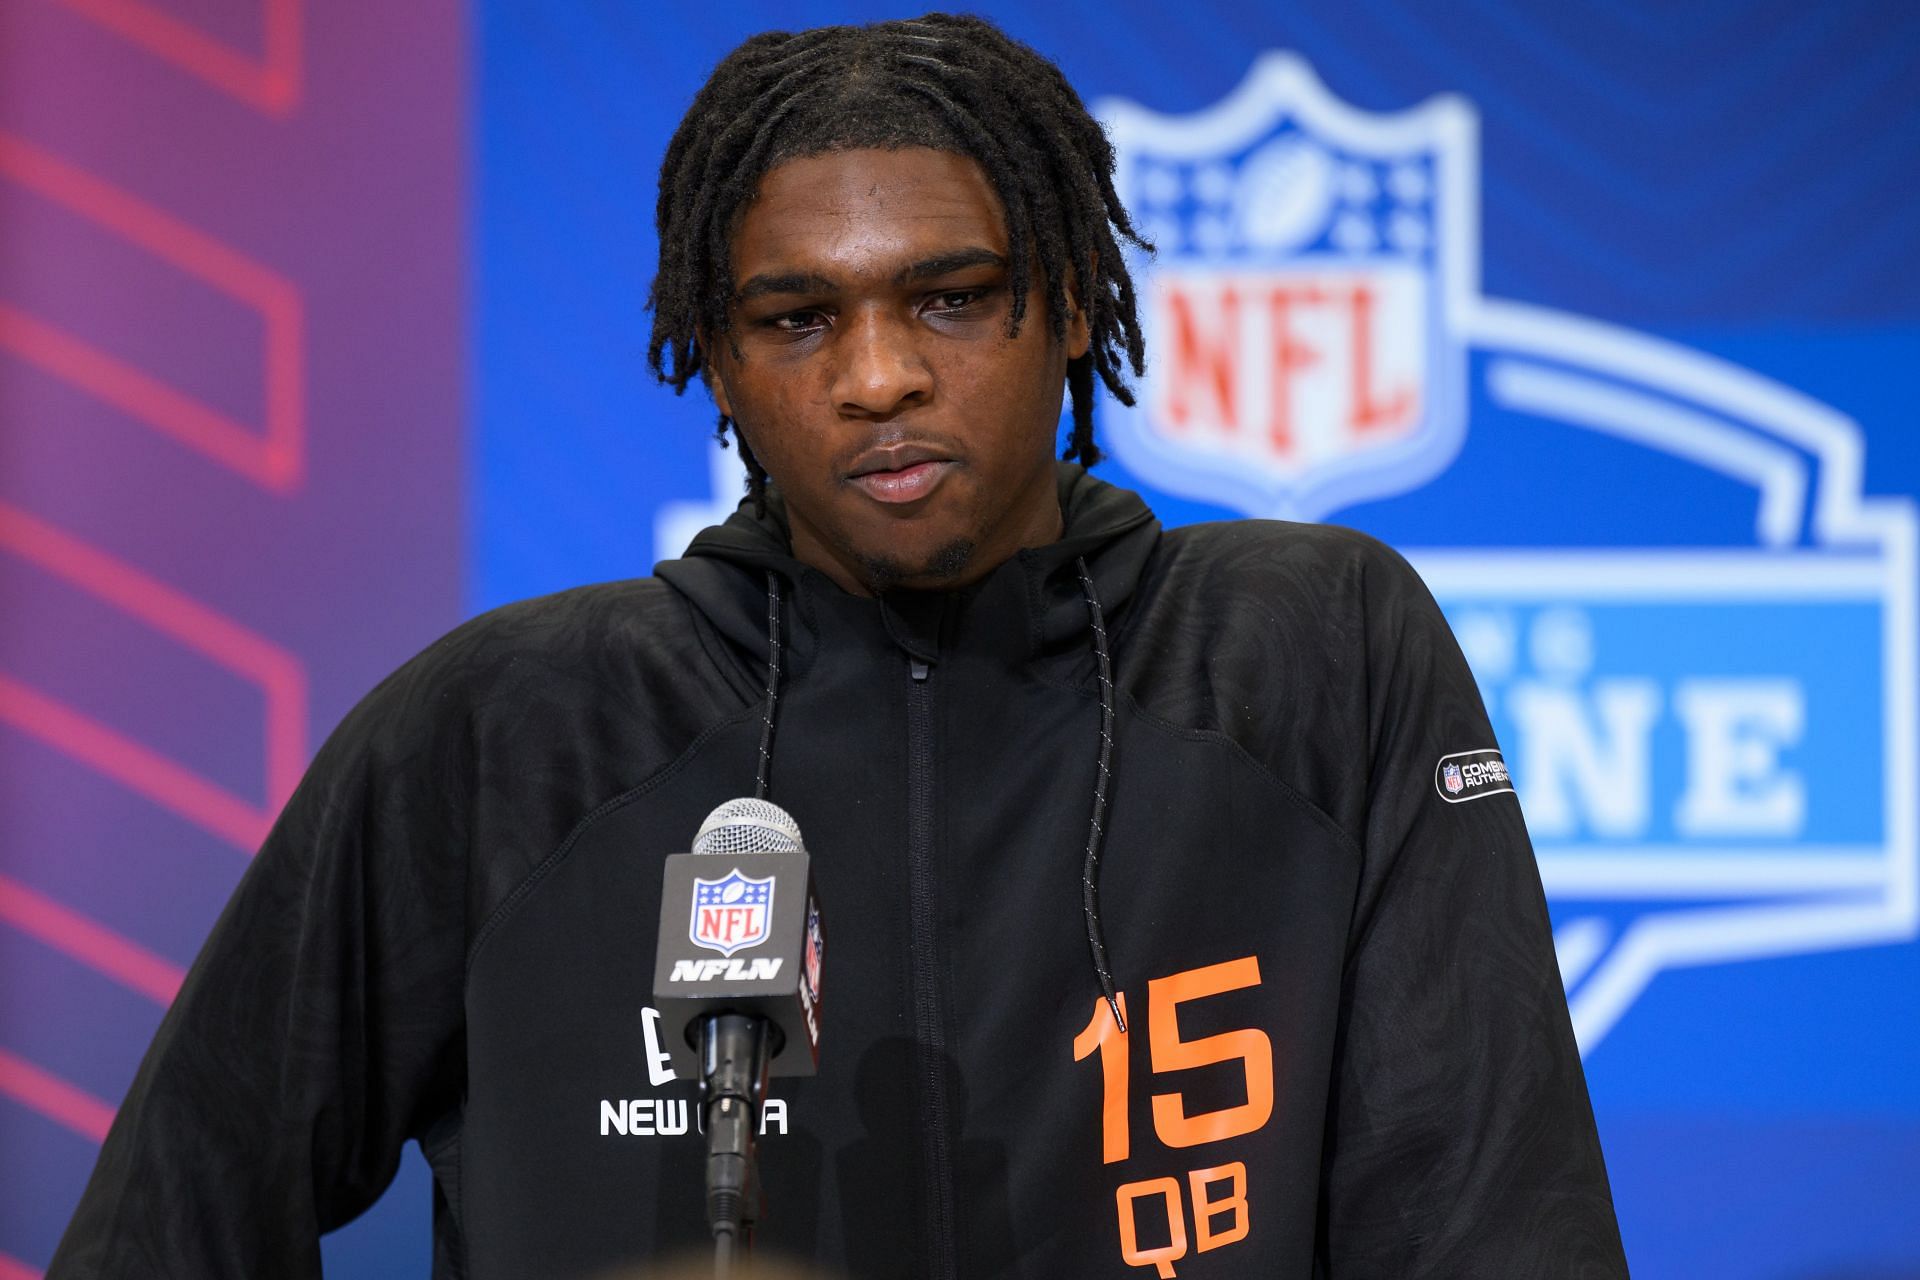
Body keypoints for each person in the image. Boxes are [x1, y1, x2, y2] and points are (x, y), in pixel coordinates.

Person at [51, 13, 1629, 1278]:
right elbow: (175, 1213)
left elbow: (1498, 1218)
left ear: (1075, 304)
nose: (877, 377)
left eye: (951, 298)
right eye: (797, 320)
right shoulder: (509, 728)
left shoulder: (1308, 651)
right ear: (717, 365)